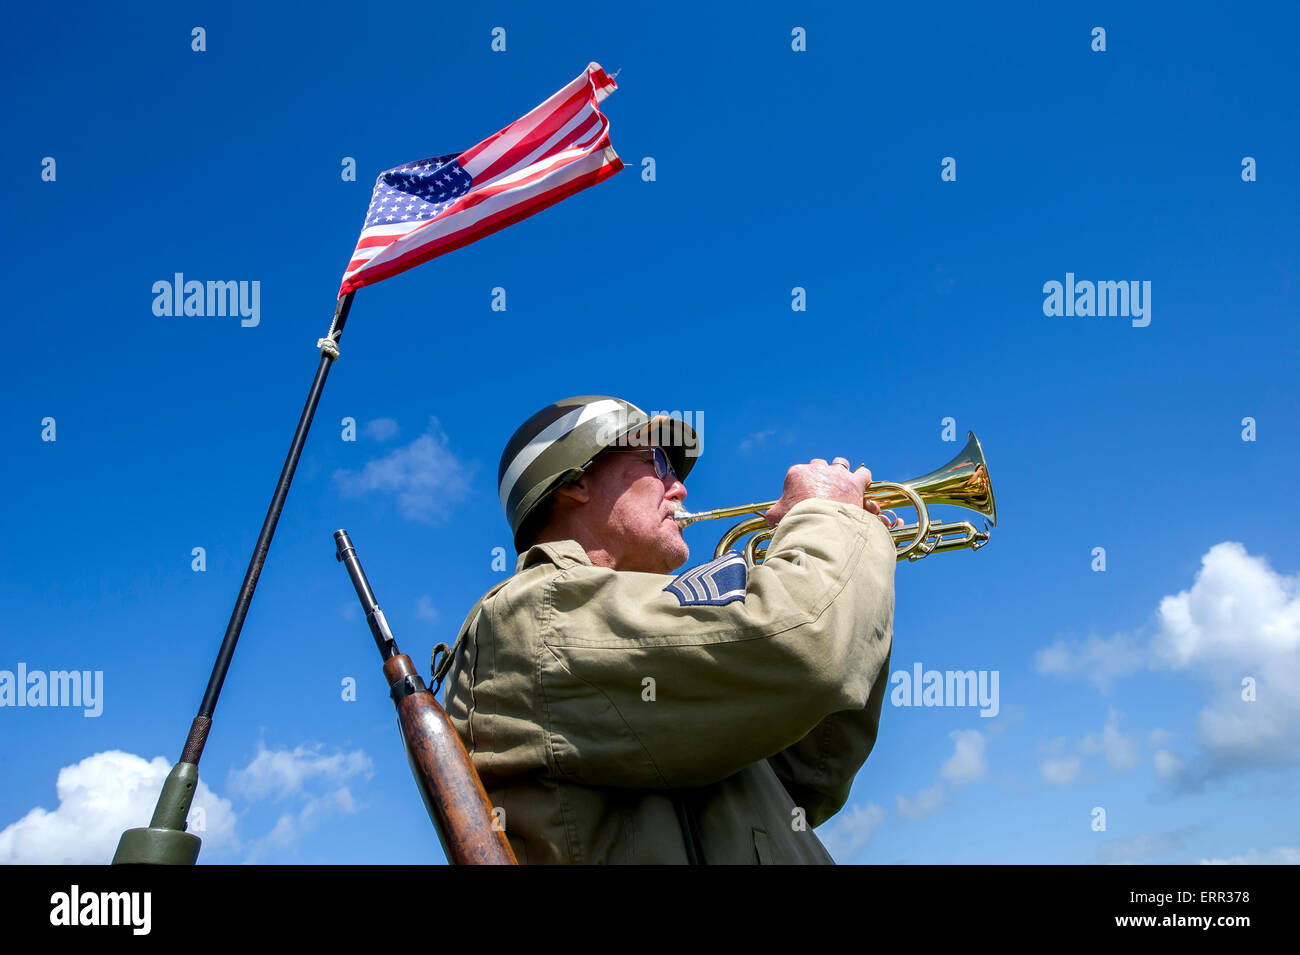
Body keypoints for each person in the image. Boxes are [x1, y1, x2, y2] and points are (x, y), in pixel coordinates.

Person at [437, 395, 899, 864]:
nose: (678, 490)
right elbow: (804, 646)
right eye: (657, 462)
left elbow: (810, 779)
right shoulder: (536, 614)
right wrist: (829, 521)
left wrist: (857, 571)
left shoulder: (626, 629)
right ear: (575, 481)